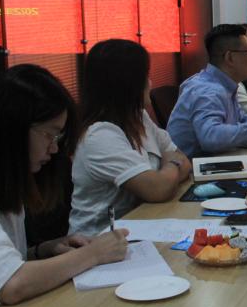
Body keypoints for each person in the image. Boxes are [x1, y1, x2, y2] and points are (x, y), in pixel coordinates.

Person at [0, 65, 129, 307]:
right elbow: (10, 284)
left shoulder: (4, 187)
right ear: (13, 130)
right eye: (49, 135)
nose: (53, 149)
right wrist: (94, 254)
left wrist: (42, 251)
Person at [69, 40, 192, 236]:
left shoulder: (139, 117)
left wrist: (169, 171)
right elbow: (158, 189)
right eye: (145, 76)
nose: (150, 83)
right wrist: (172, 164)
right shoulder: (100, 136)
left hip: (143, 225)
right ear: (129, 84)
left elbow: (184, 161)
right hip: (99, 242)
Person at [168, 24, 247, 157]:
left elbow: (241, 118)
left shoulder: (224, 84)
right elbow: (210, 136)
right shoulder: (208, 90)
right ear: (230, 57)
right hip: (193, 167)